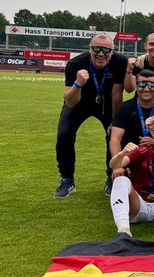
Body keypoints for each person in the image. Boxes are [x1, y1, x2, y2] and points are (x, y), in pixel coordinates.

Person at [54, 34, 129, 198]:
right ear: (89, 48)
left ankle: (112, 176)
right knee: (64, 134)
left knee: (114, 134)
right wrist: (78, 84)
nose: (101, 53)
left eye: (106, 50)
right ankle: (67, 180)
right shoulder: (75, 64)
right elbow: (69, 100)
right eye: (96, 49)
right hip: (79, 101)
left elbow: (117, 94)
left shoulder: (119, 62)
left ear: (112, 51)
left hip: (106, 103)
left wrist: (115, 121)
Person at [108, 69, 154, 194]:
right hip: (130, 159)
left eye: (151, 85)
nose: (146, 89)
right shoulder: (125, 108)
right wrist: (119, 166)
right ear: (136, 85)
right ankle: (114, 178)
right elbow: (115, 139)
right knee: (123, 186)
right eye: (141, 84)